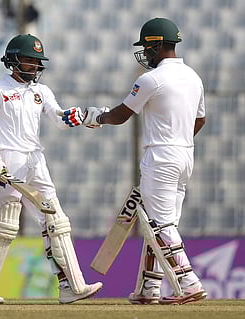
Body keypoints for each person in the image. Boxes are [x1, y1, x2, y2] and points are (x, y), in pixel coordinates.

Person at [0, 34, 102, 304]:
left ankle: (71, 287)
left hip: (36, 160)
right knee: (4, 225)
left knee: (56, 220)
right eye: (29, 60)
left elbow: (60, 119)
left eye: (38, 61)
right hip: (9, 160)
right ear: (14, 60)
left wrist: (83, 116)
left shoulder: (42, 91)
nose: (35, 66)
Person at [82, 18, 207, 305]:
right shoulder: (193, 76)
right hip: (185, 155)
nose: (145, 54)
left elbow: (121, 114)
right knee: (160, 224)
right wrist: (178, 140)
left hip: (161, 156)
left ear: (157, 45)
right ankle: (149, 289)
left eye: (147, 47)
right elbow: (200, 119)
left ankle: (188, 283)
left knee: (160, 224)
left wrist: (95, 117)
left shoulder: (151, 79)